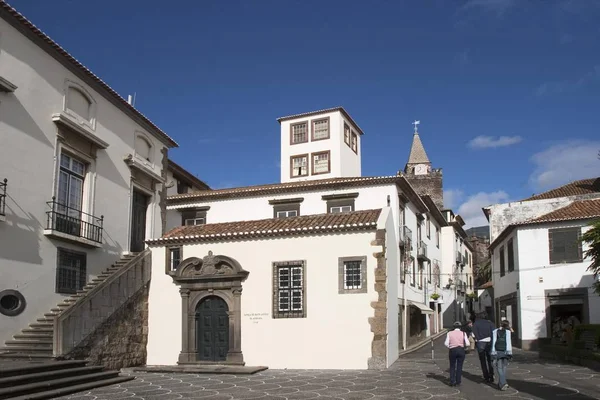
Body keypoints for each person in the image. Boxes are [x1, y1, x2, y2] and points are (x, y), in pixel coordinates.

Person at [444, 321, 470, 387]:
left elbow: (446, 343)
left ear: (454, 327)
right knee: (459, 366)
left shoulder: (449, 333)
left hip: (453, 350)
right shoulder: (463, 333)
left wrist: (451, 346)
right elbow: (468, 343)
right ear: (460, 327)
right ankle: (458, 381)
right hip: (461, 350)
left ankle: (452, 381)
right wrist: (463, 346)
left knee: (452, 366)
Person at [473, 312, 496, 383]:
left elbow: (474, 332)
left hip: (480, 342)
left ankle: (486, 376)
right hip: (489, 342)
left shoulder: (476, 323)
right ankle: (491, 375)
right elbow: (494, 332)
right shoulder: (490, 323)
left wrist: (478, 338)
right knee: (490, 360)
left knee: (482, 360)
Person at [491, 320, 513, 391]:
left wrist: (493, 351)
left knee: (499, 368)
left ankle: (503, 383)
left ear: (500, 324)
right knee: (504, 367)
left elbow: (494, 341)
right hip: (506, 351)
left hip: (498, 350)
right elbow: (510, 340)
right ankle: (501, 383)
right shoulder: (508, 332)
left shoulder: (495, 331)